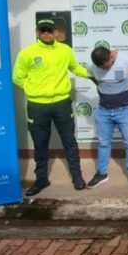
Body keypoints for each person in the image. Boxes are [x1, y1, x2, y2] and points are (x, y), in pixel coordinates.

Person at [12, 18, 93, 196]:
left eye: (50, 30)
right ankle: (41, 179)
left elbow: (75, 68)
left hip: (62, 104)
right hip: (37, 106)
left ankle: (77, 176)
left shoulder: (65, 50)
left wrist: (92, 76)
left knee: (69, 141)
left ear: (56, 32)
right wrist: (34, 90)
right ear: (37, 32)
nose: (47, 33)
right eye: (43, 30)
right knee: (40, 144)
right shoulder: (27, 53)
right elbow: (17, 77)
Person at [87, 46, 128, 189]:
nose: (103, 70)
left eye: (105, 66)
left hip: (125, 110)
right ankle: (102, 173)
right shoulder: (93, 66)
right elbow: (95, 79)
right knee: (103, 143)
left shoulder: (127, 60)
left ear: (111, 57)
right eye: (100, 68)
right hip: (103, 111)